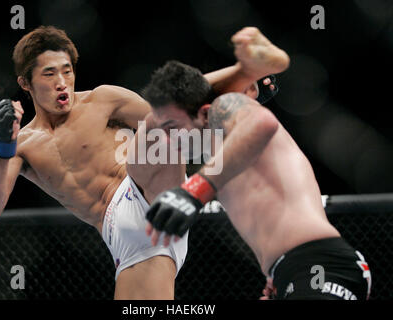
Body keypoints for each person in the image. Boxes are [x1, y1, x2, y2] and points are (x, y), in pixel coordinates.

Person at [0, 25, 275, 299]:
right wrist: (3, 143)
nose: (61, 83)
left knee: (158, 118)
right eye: (49, 74)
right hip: (121, 236)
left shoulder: (102, 100)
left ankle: (242, 81)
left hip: (145, 188)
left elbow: (175, 122)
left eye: (67, 72)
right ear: (25, 82)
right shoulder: (22, 145)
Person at [143, 28, 372, 300]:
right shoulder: (223, 153)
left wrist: (195, 190)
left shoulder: (227, 105)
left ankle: (249, 69)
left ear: (202, 111)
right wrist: (275, 272)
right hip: (295, 268)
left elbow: (263, 123)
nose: (168, 139)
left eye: (173, 127)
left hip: (319, 264)